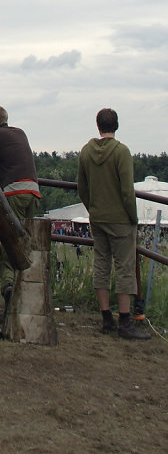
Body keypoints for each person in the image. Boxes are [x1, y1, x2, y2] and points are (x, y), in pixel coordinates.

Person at [77, 108, 150, 341]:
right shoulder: (122, 152)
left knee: (101, 265)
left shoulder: (86, 152)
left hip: (98, 217)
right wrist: (133, 217)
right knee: (124, 268)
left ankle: (106, 317)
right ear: (116, 125)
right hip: (120, 219)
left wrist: (93, 209)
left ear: (98, 125)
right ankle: (126, 321)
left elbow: (82, 188)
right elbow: (127, 190)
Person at [0, 105, 40, 310]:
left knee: (9, 244)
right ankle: (27, 292)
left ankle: (8, 289)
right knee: (26, 244)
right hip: (33, 192)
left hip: (14, 192)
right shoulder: (20, 133)